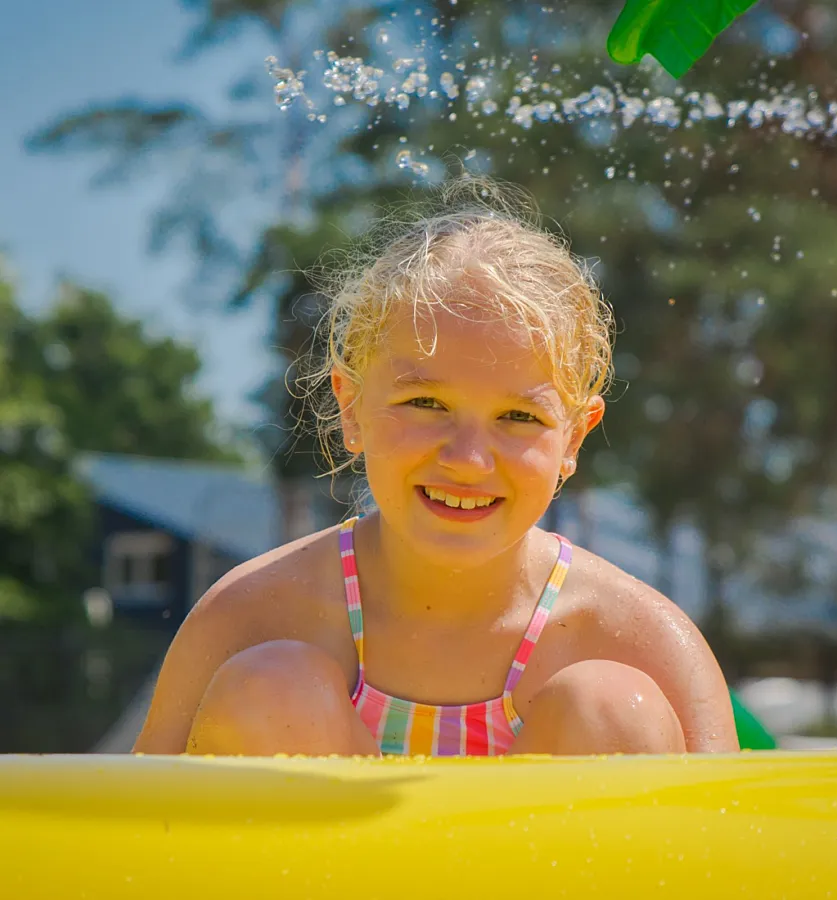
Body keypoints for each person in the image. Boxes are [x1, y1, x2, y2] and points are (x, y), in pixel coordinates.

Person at [133, 177, 739, 758]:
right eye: (426, 404)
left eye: (519, 418)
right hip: (319, 869)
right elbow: (131, 840)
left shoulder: (638, 642)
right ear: (351, 407)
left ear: (574, 438)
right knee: (271, 688)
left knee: (614, 710)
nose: (468, 461)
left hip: (543, 867)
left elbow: (733, 854)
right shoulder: (254, 614)